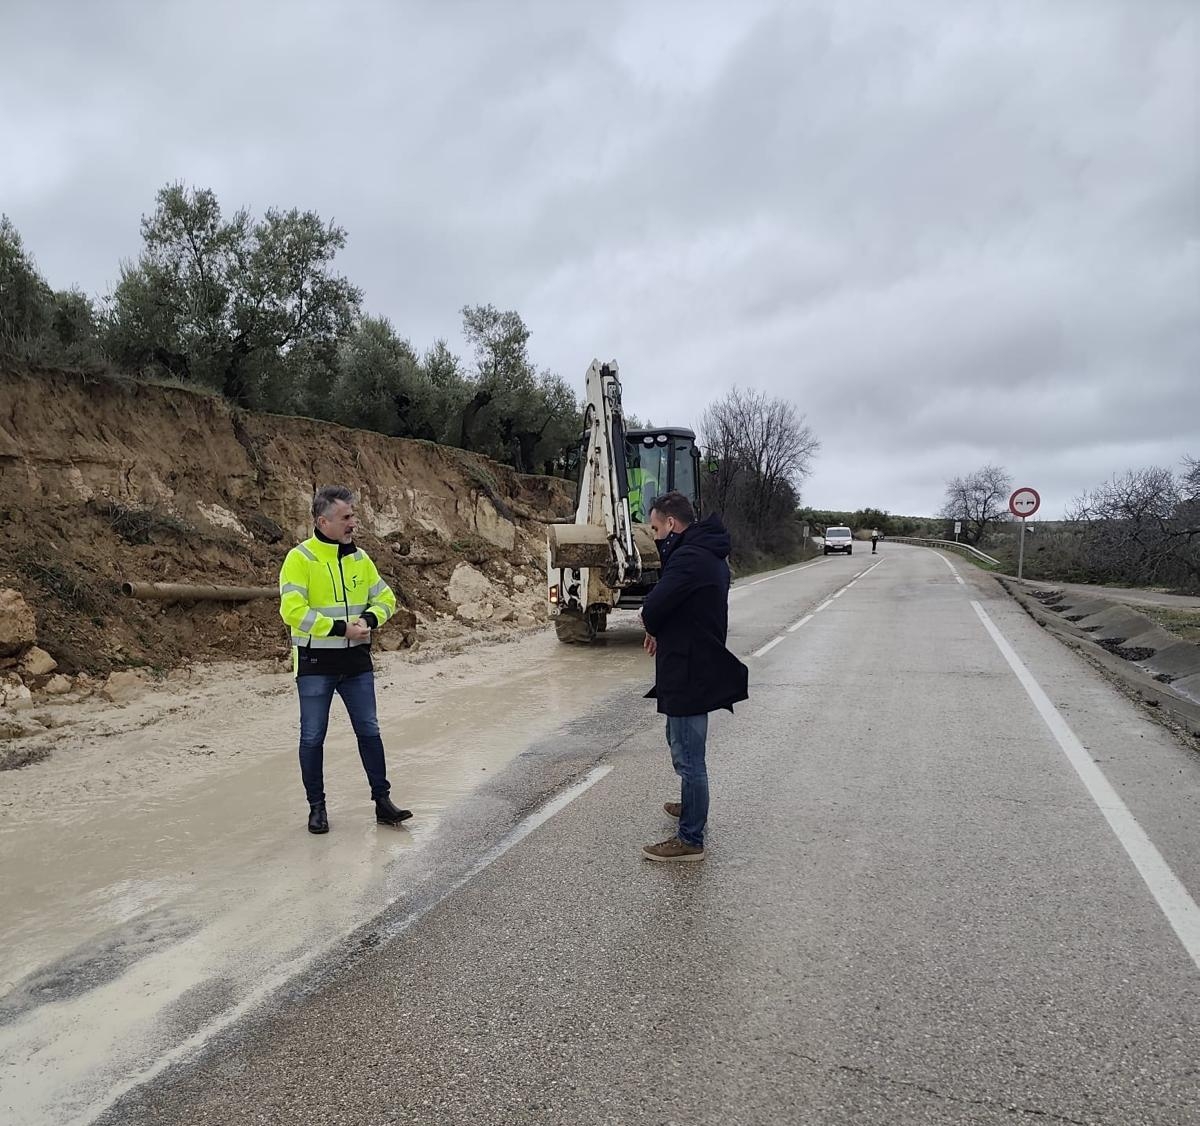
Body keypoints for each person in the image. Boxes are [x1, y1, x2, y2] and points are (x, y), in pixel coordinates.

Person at [278, 485, 412, 834]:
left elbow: (386, 598)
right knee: (312, 738)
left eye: (353, 515)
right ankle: (317, 809)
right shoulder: (300, 559)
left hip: (356, 665)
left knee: (369, 731)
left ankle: (383, 802)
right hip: (314, 664)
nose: (354, 522)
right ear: (323, 521)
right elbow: (292, 611)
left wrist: (368, 620)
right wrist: (341, 629)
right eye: (346, 517)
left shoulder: (360, 558)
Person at [638, 491, 748, 862]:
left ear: (671, 524)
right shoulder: (705, 553)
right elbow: (680, 605)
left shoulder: (688, 557)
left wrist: (651, 622)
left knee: (689, 755)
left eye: (655, 528)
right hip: (691, 660)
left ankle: (690, 839)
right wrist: (659, 628)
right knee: (679, 739)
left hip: (689, 668)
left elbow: (654, 606)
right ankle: (690, 807)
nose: (654, 537)